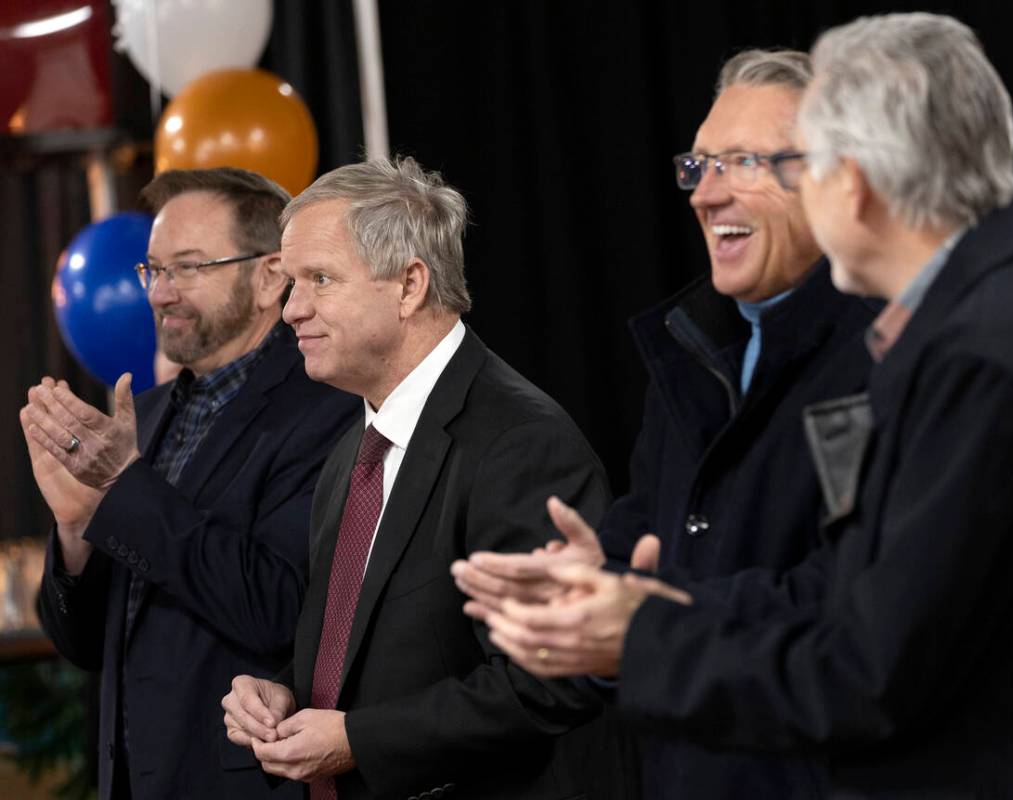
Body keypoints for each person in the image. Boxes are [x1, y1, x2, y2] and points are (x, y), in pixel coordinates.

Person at [480, 12, 1013, 797]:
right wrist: (635, 600)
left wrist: (639, 637)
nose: (709, 196)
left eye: (785, 164)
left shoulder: (986, 353)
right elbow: (851, 594)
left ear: (852, 179)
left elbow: (870, 668)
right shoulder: (1002, 318)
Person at [452, 49, 875, 798]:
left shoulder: (897, 354)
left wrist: (642, 621)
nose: (704, 196)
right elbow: (647, 538)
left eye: (740, 162)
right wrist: (582, 590)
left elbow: (863, 609)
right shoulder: (690, 353)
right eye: (698, 165)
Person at [220, 157, 625, 800]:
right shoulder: (354, 446)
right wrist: (285, 690)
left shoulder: (521, 443)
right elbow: (375, 652)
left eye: (319, 279)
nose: (291, 309)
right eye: (291, 283)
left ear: (409, 286)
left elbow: (550, 681)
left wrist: (358, 740)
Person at [24, 167, 362, 799]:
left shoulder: (327, 411)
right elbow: (83, 645)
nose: (159, 294)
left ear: (269, 277)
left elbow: (278, 611)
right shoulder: (142, 418)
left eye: (189, 267)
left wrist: (123, 489)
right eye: (153, 269)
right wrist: (76, 529)